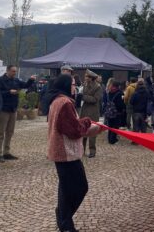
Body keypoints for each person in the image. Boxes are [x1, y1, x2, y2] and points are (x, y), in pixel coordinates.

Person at [46, 74, 103, 232]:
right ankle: (64, 219)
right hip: (66, 153)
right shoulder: (64, 102)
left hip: (62, 152)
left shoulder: (56, 100)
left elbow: (67, 125)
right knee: (80, 187)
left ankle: (65, 223)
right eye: (72, 84)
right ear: (65, 85)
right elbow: (72, 130)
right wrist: (87, 123)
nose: (75, 87)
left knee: (65, 188)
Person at [0, 65, 36, 162]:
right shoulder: (0, 80)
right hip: (3, 109)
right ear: (7, 71)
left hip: (13, 109)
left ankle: (6, 152)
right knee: (0, 133)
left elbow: (25, 85)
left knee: (10, 132)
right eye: (13, 71)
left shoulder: (16, 80)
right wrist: (9, 92)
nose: (14, 73)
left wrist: (31, 80)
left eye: (15, 71)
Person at [79, 69, 103, 158]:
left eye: (86, 76)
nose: (85, 78)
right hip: (84, 111)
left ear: (91, 78)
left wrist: (83, 97)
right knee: (83, 131)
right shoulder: (85, 85)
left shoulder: (98, 87)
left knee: (92, 133)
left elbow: (95, 99)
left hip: (93, 112)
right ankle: (82, 150)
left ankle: (92, 151)